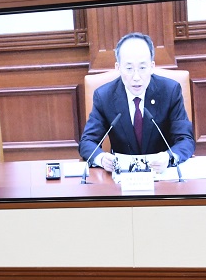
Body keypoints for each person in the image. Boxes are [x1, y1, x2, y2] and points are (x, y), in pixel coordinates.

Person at [79, 32, 195, 174]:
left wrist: (169, 157)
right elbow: (87, 142)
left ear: (152, 66)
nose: (136, 77)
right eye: (128, 68)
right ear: (118, 68)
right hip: (122, 178)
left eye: (142, 68)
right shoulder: (104, 96)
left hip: (162, 176)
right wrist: (101, 158)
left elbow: (185, 140)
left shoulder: (170, 91)